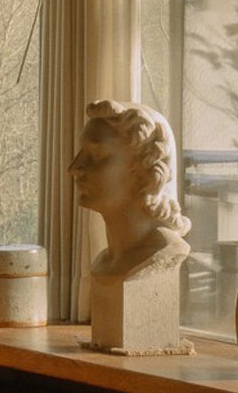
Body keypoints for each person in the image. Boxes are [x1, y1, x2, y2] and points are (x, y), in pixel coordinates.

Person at [68, 99, 191, 282]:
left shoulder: (160, 255)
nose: (74, 168)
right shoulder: (105, 262)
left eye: (95, 155)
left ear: (143, 171)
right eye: (81, 154)